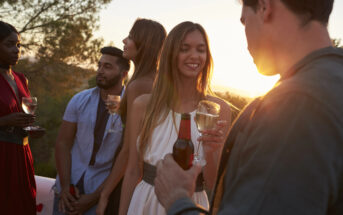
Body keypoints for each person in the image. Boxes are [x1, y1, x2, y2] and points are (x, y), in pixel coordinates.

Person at [154, 0, 343, 214]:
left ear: (264, 7)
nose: (245, 40)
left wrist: (177, 199)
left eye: (244, 22)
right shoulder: (332, 80)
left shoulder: (297, 105)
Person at [119, 21, 231, 215]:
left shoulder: (218, 109)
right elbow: (131, 171)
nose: (194, 56)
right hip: (144, 203)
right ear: (170, 54)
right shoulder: (143, 105)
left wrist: (214, 150)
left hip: (190, 205)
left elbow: (212, 182)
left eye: (201, 50)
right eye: (184, 49)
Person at [96, 18, 166, 215]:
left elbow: (128, 152)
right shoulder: (158, 80)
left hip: (130, 180)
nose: (124, 40)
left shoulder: (138, 85)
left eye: (131, 37)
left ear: (144, 44)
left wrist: (104, 195)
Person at [53, 46, 130, 215]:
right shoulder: (79, 100)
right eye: (99, 65)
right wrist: (65, 187)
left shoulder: (131, 109)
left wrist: (95, 197)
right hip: (68, 189)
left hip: (102, 195)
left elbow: (127, 158)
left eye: (107, 67)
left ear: (124, 74)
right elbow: (63, 143)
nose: (100, 71)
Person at [0, 20, 37, 215]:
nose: (16, 50)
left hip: (22, 156)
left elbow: (23, 113)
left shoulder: (21, 78)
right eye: (9, 44)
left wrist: (29, 127)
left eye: (18, 45)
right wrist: (6, 121)